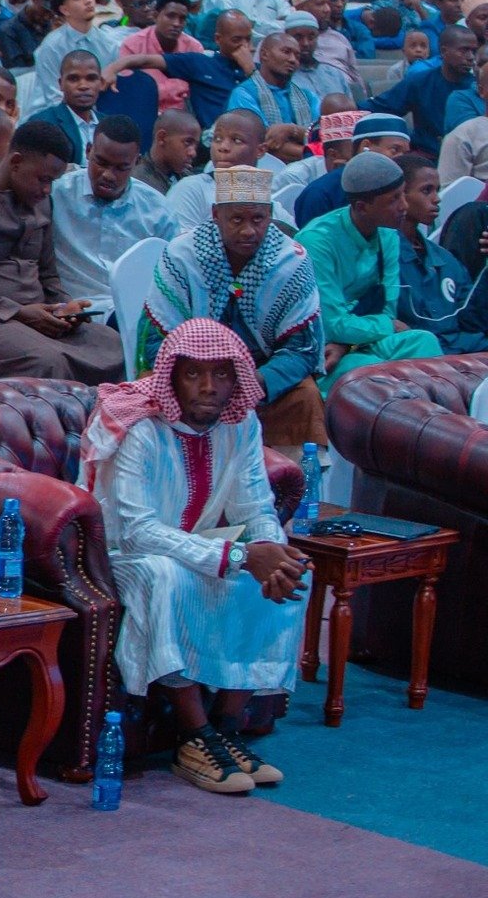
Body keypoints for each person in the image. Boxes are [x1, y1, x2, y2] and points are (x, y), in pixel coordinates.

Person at [79, 318, 311, 795]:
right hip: (124, 555)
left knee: (286, 571)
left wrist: (269, 549)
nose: (209, 387)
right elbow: (139, 531)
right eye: (194, 374)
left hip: (201, 543)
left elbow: (255, 507)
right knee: (166, 577)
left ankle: (226, 730)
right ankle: (194, 737)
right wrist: (239, 556)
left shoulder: (241, 421)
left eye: (222, 375)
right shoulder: (140, 428)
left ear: (237, 379)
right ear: (173, 377)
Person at [140, 166, 326, 455]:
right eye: (237, 219)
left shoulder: (292, 261)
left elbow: (303, 349)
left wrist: (253, 382)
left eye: (258, 219)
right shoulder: (182, 256)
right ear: (216, 216)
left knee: (305, 397)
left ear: (270, 216)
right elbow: (155, 342)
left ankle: (292, 492)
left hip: (263, 375)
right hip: (190, 375)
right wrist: (204, 378)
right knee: (147, 393)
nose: (249, 230)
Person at [0, 119, 125, 382]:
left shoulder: (41, 203)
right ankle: (66, 424)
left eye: (53, 181)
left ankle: (109, 422)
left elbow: (48, 274)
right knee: (50, 362)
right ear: (16, 161)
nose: (47, 190)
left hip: (36, 317)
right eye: (43, 179)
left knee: (114, 345)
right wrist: (18, 312)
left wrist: (65, 307)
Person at [299, 151, 446, 394]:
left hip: (357, 343)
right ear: (361, 207)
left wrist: (351, 343)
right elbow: (333, 325)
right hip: (321, 348)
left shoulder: (388, 232)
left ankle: (441, 421)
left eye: (403, 195)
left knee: (423, 341)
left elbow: (388, 307)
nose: (404, 206)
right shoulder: (317, 241)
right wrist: (385, 326)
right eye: (394, 199)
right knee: (369, 370)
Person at [47, 116, 176, 317]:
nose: (108, 175)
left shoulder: (158, 210)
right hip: (71, 309)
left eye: (121, 168)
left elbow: (172, 273)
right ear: (88, 151)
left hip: (134, 314)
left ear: (136, 162)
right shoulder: (56, 194)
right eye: (101, 162)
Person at [395, 154, 488, 355]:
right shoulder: (381, 256)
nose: (437, 198)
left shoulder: (446, 260)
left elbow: (472, 320)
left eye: (437, 190)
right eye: (426, 190)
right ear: (400, 195)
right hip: (415, 356)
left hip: (461, 352)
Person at [369, 22, 477, 154]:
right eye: (464, 50)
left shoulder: (478, 87)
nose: (471, 57)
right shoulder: (420, 81)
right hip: (427, 157)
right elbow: (381, 106)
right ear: (443, 51)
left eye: (473, 51)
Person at [293, 112, 411, 228]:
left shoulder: (406, 184)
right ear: (366, 146)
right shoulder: (321, 193)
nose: (402, 159)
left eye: (405, 153)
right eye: (395, 150)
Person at [166, 109, 272, 232]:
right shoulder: (191, 189)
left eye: (237, 140)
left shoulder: (265, 193)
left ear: (260, 151)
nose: (223, 147)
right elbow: (182, 245)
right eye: (217, 139)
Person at [23, 49, 107, 165]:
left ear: (101, 83)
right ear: (60, 84)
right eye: (74, 79)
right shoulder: (41, 124)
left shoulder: (109, 126)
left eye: (91, 78)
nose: (83, 86)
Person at [134, 107, 201, 195]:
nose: (193, 153)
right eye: (187, 142)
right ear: (162, 138)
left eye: (195, 145)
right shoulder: (138, 185)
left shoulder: (188, 180)